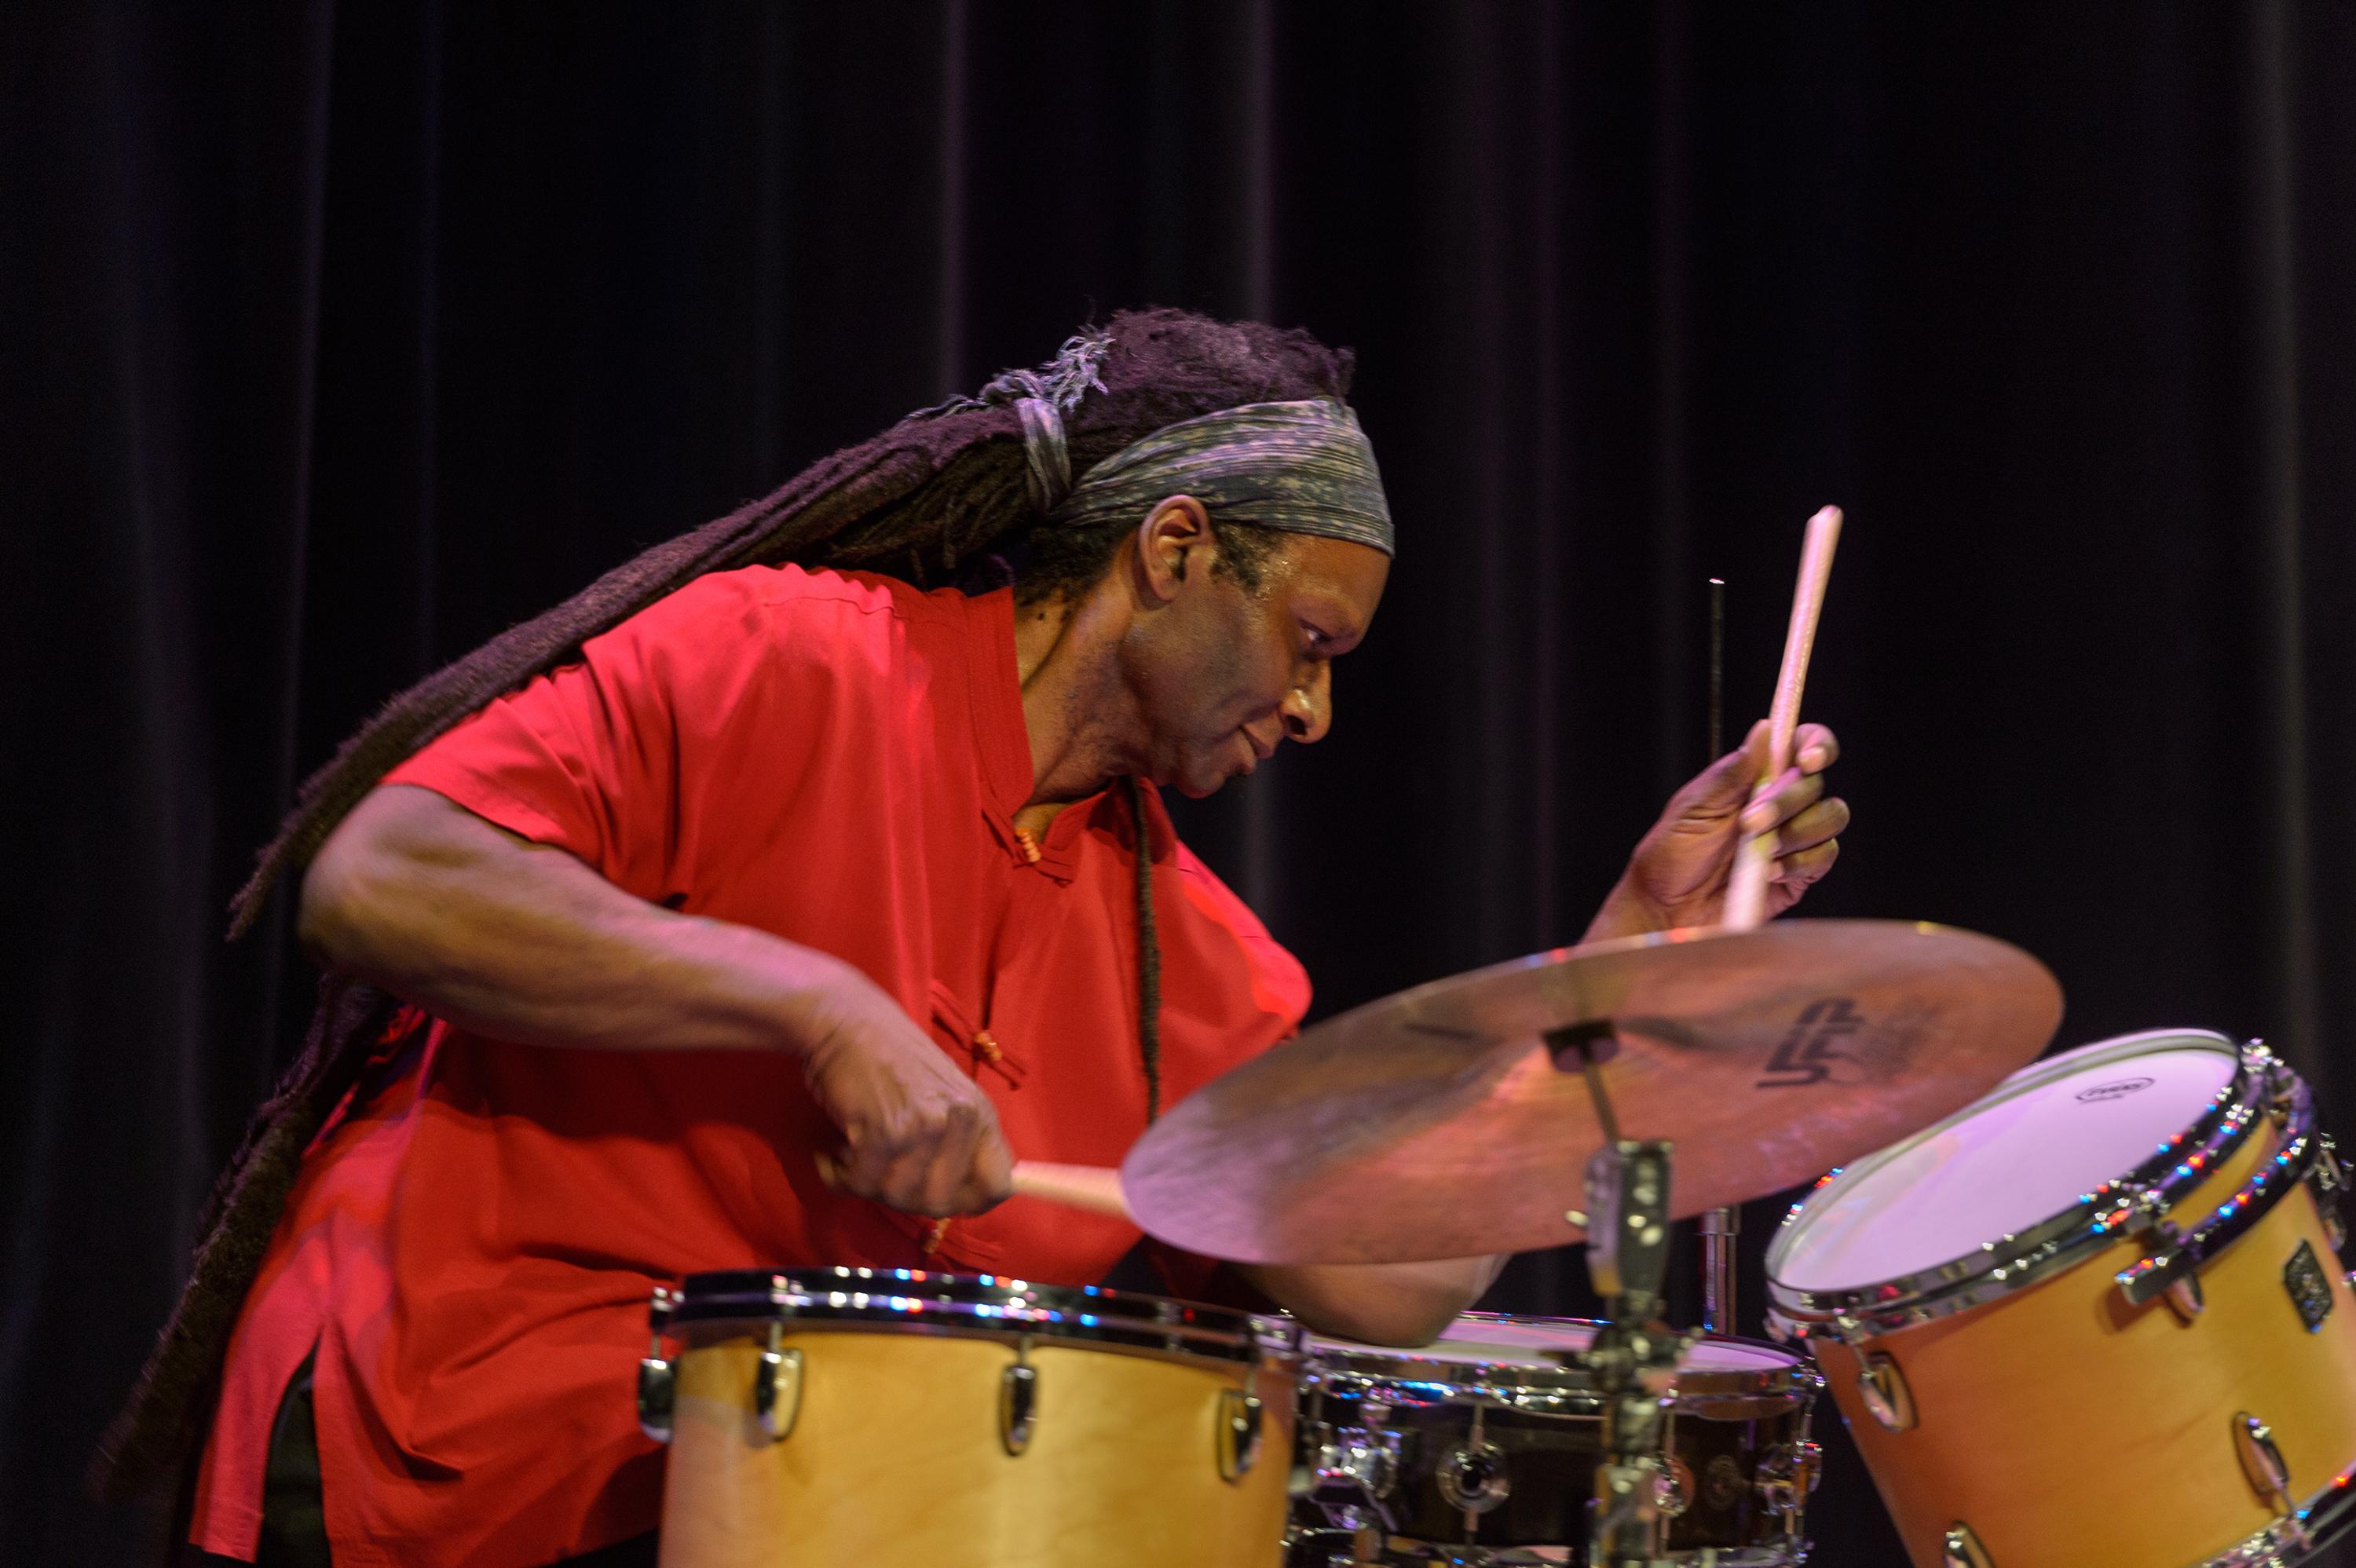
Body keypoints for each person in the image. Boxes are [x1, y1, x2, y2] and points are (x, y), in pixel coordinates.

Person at [105, 309, 1846, 1566]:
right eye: (1308, 642)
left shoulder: (1192, 943)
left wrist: (1630, 960)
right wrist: (812, 1005)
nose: (1315, 711)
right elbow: (378, 869)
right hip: (467, 1444)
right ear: (1174, 553)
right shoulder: (783, 660)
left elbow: (1384, 1279)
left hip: (807, 1499)